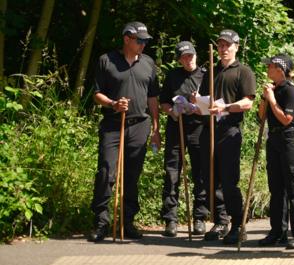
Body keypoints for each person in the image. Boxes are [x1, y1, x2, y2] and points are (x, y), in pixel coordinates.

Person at [89, 21, 161, 242]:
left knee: (132, 175)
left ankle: (127, 221)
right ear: (127, 38)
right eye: (139, 40)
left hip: (140, 125)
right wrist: (113, 104)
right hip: (113, 123)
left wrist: (156, 129)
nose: (143, 44)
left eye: (145, 41)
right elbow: (96, 94)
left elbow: (153, 98)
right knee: (106, 171)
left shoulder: (149, 63)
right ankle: (101, 222)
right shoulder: (106, 60)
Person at [198, 29, 256, 244]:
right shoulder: (210, 72)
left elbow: (248, 103)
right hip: (208, 131)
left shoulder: (243, 71)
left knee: (230, 181)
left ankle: (238, 224)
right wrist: (197, 105)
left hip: (229, 132)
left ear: (236, 47)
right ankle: (220, 220)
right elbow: (204, 100)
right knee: (211, 180)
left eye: (227, 45)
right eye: (220, 45)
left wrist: (226, 108)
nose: (223, 49)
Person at [257, 54, 294, 250]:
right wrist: (264, 98)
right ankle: (277, 231)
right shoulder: (273, 89)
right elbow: (261, 117)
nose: (267, 69)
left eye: (270, 66)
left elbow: (287, 119)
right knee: (276, 188)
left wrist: (272, 100)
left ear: (280, 69)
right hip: (274, 139)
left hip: (290, 139)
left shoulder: (289, 90)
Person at [159, 41, 208, 237]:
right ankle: (170, 219)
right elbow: (163, 101)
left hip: (198, 127)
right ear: (179, 59)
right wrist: (172, 112)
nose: (188, 60)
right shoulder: (172, 76)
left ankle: (200, 218)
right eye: (184, 57)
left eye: (191, 56)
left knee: (200, 173)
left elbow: (212, 103)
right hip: (176, 127)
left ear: (196, 55)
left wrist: (199, 103)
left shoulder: (206, 75)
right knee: (172, 172)